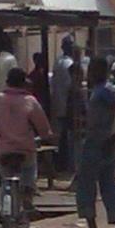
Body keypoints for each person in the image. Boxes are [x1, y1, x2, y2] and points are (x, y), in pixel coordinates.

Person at [0, 67, 52, 228]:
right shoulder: (30, 100)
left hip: (4, 151)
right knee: (29, 170)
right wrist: (46, 135)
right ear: (23, 83)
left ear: (7, 82)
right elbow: (43, 129)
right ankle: (27, 196)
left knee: (6, 181)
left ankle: (5, 218)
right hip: (25, 150)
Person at [72, 56, 115, 228]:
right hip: (105, 145)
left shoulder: (102, 92)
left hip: (95, 145)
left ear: (97, 71)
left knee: (85, 189)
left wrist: (113, 138)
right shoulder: (103, 92)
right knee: (109, 188)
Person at [51, 37, 79, 169]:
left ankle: (63, 162)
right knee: (70, 136)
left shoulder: (58, 61)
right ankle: (68, 163)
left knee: (63, 135)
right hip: (69, 104)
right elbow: (71, 86)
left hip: (59, 102)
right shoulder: (69, 63)